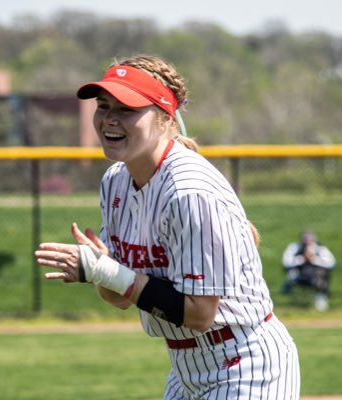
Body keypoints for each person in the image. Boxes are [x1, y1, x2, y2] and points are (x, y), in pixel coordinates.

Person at [35, 54, 300, 399]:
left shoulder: (189, 192)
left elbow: (200, 314)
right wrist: (99, 272)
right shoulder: (116, 180)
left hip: (245, 365)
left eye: (127, 109)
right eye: (103, 106)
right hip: (184, 368)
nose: (110, 119)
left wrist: (109, 271)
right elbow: (117, 297)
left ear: (164, 118)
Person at [281, 229, 336, 311]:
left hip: (316, 276)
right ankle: (286, 292)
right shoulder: (295, 248)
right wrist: (302, 259)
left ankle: (321, 301)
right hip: (299, 275)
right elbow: (286, 262)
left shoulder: (320, 249)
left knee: (323, 274)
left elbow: (331, 263)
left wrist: (313, 259)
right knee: (291, 273)